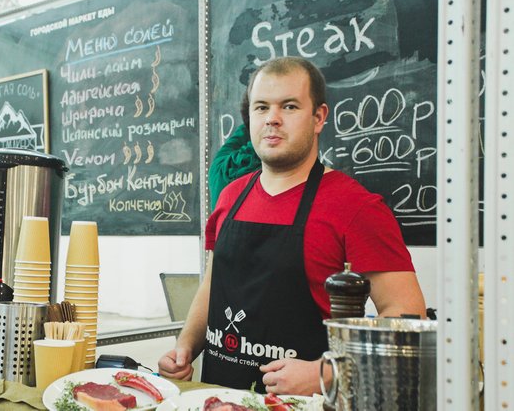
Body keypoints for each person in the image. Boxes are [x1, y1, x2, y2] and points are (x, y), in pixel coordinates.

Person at [158, 56, 426, 396]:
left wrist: (326, 374)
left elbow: (407, 318)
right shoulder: (230, 196)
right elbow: (214, 284)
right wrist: (185, 346)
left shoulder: (356, 207)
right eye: (261, 108)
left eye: (289, 106)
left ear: (318, 117)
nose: (272, 119)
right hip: (216, 398)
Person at [208, 91, 261, 210]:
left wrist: (255, 115)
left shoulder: (219, 166)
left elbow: (242, 132)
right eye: (263, 108)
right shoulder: (273, 172)